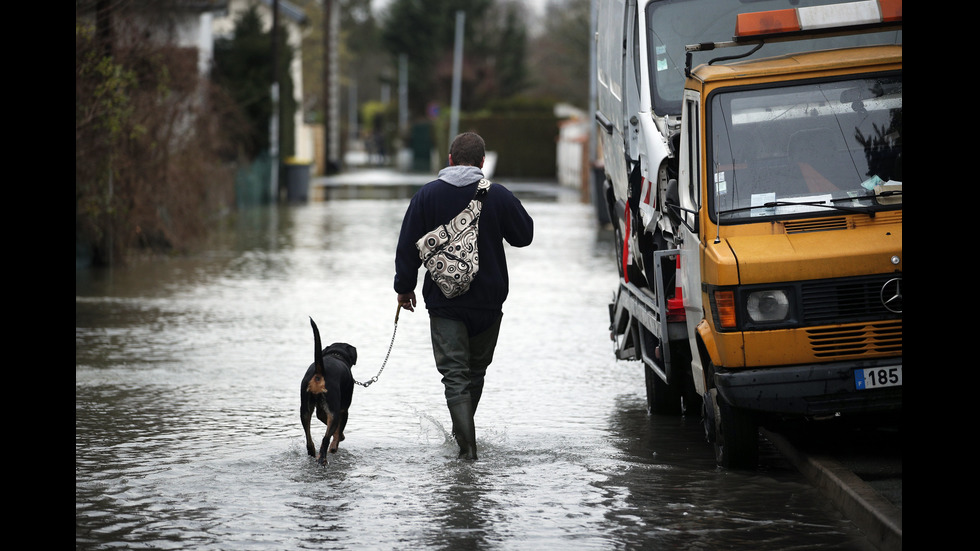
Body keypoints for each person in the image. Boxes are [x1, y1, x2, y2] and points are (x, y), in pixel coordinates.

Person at [394, 132, 534, 460]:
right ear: (483, 162)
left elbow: (406, 248)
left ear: (450, 159)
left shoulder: (426, 197)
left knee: (454, 375)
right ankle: (466, 441)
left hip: (445, 304)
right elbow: (524, 236)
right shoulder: (497, 195)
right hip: (488, 303)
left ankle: (466, 448)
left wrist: (404, 288)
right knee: (475, 372)